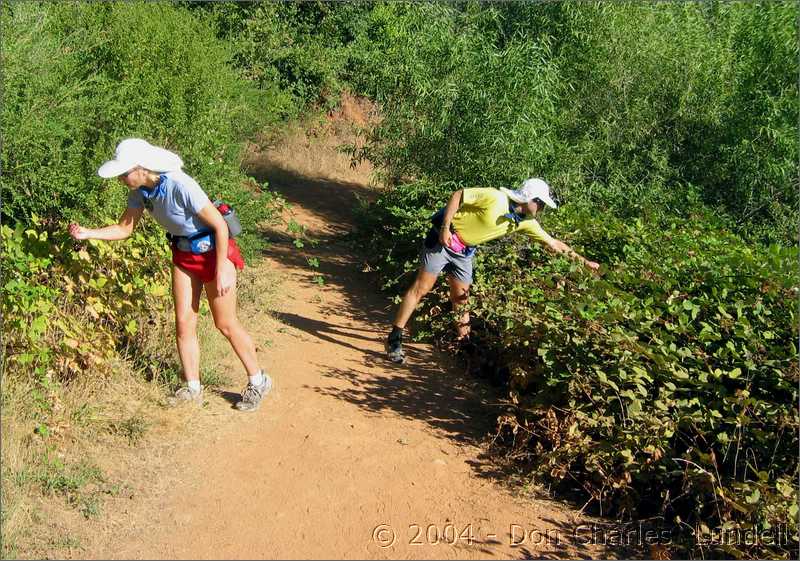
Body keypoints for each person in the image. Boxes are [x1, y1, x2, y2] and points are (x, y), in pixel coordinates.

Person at [68, 138, 272, 411]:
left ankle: (258, 381)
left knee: (225, 323)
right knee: (184, 323)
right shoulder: (140, 191)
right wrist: (89, 233)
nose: (121, 179)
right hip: (184, 254)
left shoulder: (181, 184)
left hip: (215, 253)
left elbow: (220, 226)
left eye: (124, 173)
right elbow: (124, 228)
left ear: (141, 168)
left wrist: (222, 266)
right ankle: (192, 388)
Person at [385, 178, 600, 364]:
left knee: (461, 299)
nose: (542, 209)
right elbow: (459, 195)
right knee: (422, 288)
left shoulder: (525, 222)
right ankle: (395, 339)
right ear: (530, 199)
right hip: (444, 242)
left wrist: (584, 261)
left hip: (464, 253)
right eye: (541, 204)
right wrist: (445, 228)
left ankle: (465, 350)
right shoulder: (495, 197)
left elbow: (553, 243)